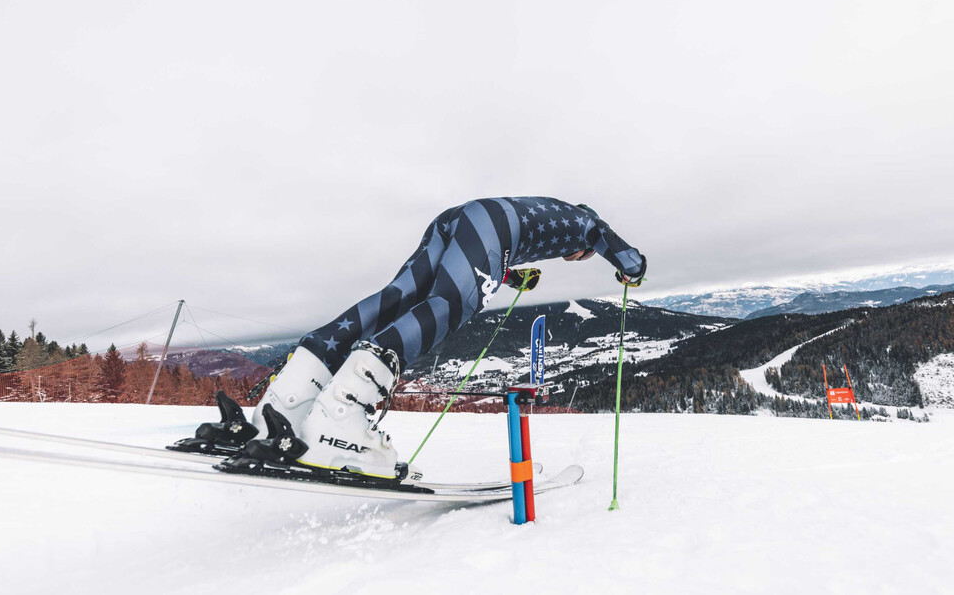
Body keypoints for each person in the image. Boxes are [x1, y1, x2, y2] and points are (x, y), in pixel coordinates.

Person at [232, 197, 645, 479]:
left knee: (396, 299)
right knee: (450, 305)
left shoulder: (547, 211)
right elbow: (620, 250)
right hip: (493, 228)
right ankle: (340, 420)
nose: (576, 258)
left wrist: (511, 274)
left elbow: (475, 253)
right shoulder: (583, 223)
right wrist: (631, 268)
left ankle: (287, 403)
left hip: (459, 218)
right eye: (582, 256)